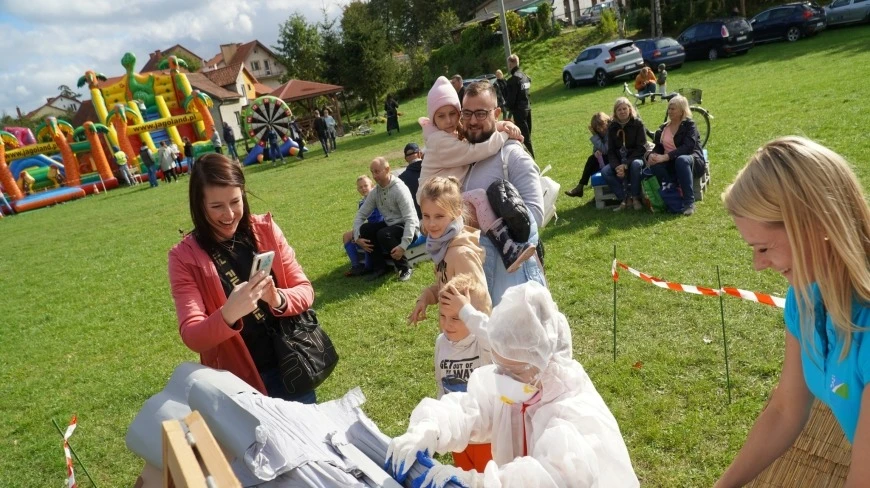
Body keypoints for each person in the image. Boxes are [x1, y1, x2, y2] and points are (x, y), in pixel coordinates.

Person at [716, 137, 870, 487]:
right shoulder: (806, 297)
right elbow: (786, 410)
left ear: (816, 224)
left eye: (764, 247)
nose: (757, 265)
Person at [387, 281, 640, 488]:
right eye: (501, 364)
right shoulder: (520, 383)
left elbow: (554, 477)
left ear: (544, 359)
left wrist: (479, 483)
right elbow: (473, 408)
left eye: (514, 369)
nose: (505, 376)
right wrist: (429, 428)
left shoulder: (573, 411)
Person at [168, 153, 317, 403]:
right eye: (216, 206)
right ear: (199, 204)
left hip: (292, 363)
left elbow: (305, 290)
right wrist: (228, 314)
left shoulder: (265, 229)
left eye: (235, 202)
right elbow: (192, 335)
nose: (229, 215)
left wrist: (277, 298)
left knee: (307, 440)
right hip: (238, 383)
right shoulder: (184, 257)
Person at [418, 76, 535, 273]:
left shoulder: (451, 134)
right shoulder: (440, 141)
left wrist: (501, 125)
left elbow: (471, 136)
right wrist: (505, 133)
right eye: (441, 116)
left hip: (442, 200)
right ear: (433, 118)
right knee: (479, 197)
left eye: (453, 114)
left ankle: (441, 253)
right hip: (437, 200)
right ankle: (508, 247)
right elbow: (475, 150)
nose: (449, 121)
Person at [456, 81, 546, 304]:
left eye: (480, 113)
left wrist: (486, 225)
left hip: (515, 282)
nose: (473, 121)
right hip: (477, 280)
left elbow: (535, 214)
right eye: (467, 113)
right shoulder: (461, 157)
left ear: (496, 113)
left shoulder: (512, 156)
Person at [408, 176, 491, 327]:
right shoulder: (443, 246)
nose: (431, 224)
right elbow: (446, 286)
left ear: (457, 213)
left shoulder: (461, 253)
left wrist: (475, 342)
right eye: (426, 216)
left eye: (439, 216)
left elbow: (481, 301)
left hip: (468, 341)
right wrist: (426, 297)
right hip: (453, 336)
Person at [432, 274, 494, 473]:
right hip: (459, 437)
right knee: (467, 480)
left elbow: (490, 334)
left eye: (456, 317)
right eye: (442, 316)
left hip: (487, 438)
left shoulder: (482, 343)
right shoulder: (441, 342)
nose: (447, 324)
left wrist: (466, 310)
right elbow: (441, 384)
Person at [352, 157, 419, 282]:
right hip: (391, 226)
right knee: (365, 228)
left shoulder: (399, 189)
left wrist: (403, 245)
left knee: (384, 234)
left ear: (387, 169)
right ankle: (380, 268)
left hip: (409, 228)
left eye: (377, 171)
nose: (374, 175)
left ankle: (405, 268)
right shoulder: (375, 192)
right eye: (372, 172)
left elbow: (410, 219)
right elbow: (360, 215)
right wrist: (357, 237)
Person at [645, 94, 706, 216]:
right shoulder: (664, 128)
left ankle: (689, 203)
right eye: (669, 108)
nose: (670, 111)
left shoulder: (690, 125)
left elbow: (688, 147)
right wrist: (653, 155)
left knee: (681, 160)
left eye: (673, 108)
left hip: (691, 161)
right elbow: (658, 146)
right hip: (672, 163)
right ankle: (672, 198)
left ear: (682, 111)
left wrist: (666, 157)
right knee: (655, 166)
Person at [602, 97, 647, 212]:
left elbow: (641, 147)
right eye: (619, 110)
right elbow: (611, 150)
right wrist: (617, 166)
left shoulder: (638, 124)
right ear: (615, 112)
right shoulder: (612, 126)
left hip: (635, 157)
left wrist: (626, 164)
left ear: (629, 109)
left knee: (636, 165)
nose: (622, 112)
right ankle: (625, 199)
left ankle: (636, 197)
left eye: (624, 109)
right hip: (618, 160)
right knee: (605, 171)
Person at [343, 175, 383, 277]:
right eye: (360, 187)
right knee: (347, 236)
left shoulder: (378, 197)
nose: (363, 188)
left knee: (365, 233)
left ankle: (368, 266)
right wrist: (356, 234)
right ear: (358, 190)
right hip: (368, 227)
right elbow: (360, 220)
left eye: (366, 185)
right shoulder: (362, 203)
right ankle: (356, 266)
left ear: (372, 186)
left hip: (379, 226)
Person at [565, 112, 610, 198]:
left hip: (614, 158)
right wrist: (596, 152)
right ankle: (588, 191)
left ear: (606, 122)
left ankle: (580, 187)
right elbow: (597, 149)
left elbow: (605, 149)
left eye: (602, 126)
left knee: (591, 160)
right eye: (598, 129)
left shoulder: (611, 131)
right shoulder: (600, 134)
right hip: (607, 158)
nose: (601, 130)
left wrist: (595, 136)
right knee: (592, 161)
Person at [504, 54, 534, 158]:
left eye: (509, 64)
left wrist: (505, 106)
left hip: (519, 111)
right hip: (527, 109)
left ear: (511, 64)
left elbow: (511, 99)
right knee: (527, 136)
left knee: (524, 138)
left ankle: (531, 160)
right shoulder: (525, 76)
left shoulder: (513, 80)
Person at [398, 142, 423, 219]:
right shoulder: (432, 169)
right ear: (420, 154)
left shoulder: (401, 179)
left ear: (406, 159)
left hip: (415, 219)